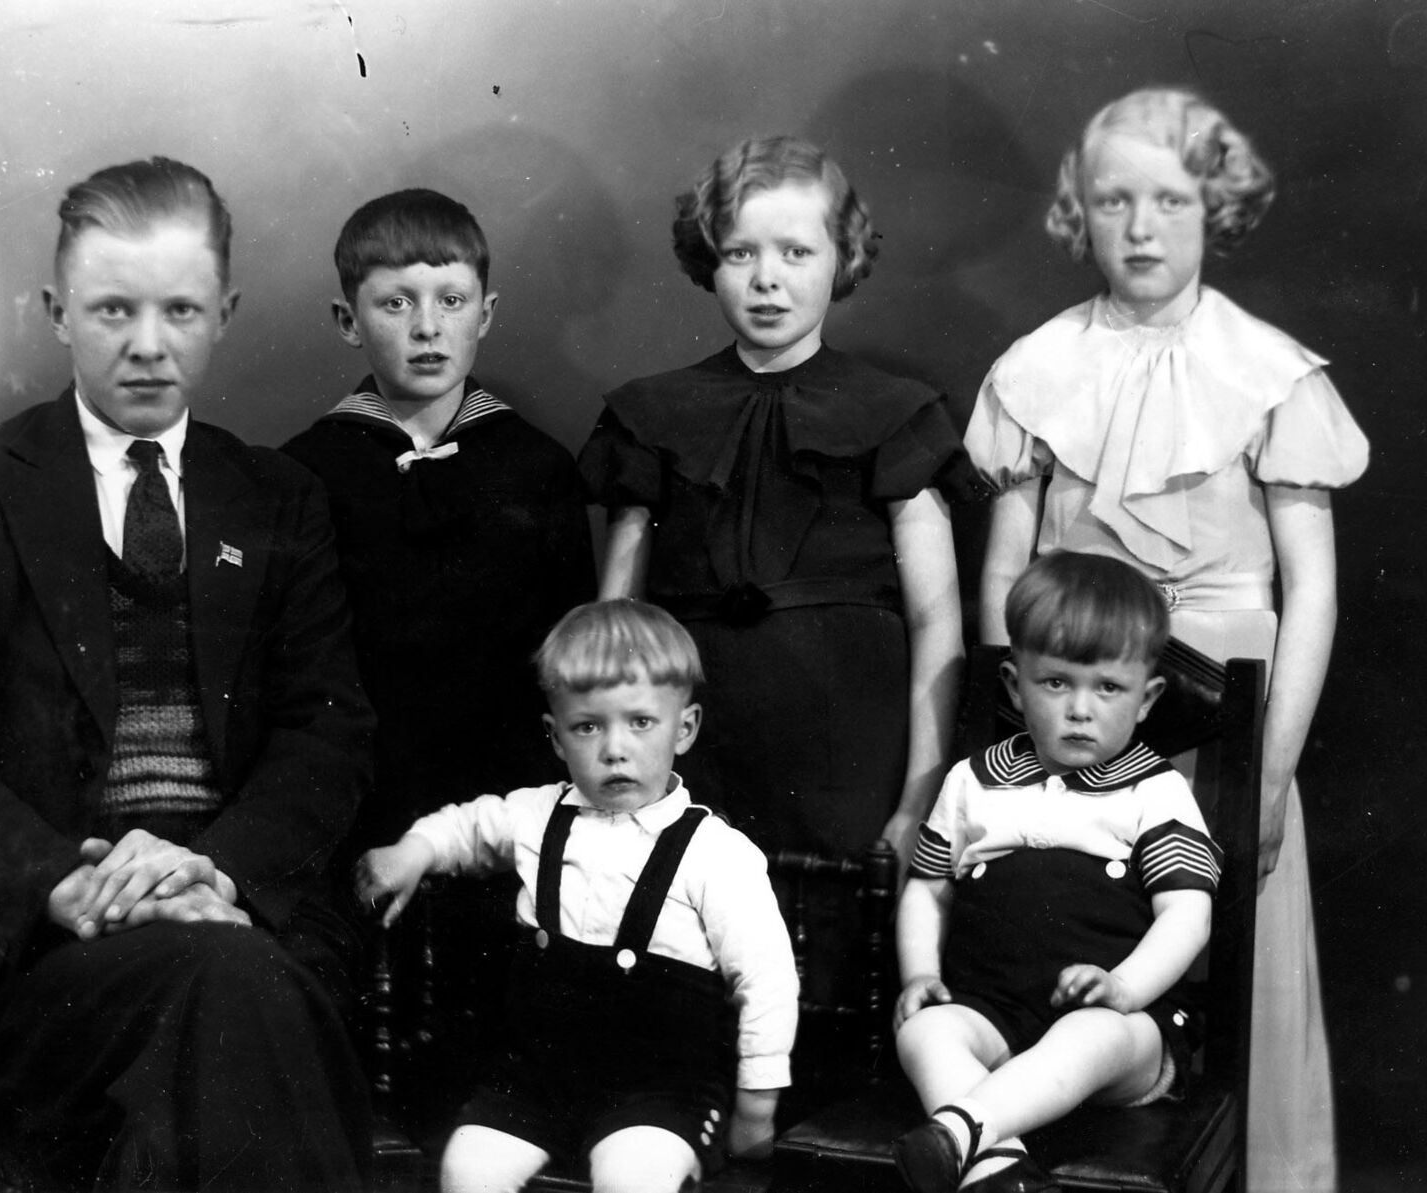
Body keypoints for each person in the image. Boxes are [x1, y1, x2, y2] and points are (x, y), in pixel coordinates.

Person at [0, 157, 375, 1191]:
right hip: (47, 947)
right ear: (56, 312)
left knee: (229, 993)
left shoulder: (278, 495)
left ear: (225, 314)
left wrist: (216, 871)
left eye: (181, 310)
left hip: (233, 909)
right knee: (234, 994)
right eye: (113, 308)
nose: (149, 343)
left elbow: (328, 730)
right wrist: (67, 884)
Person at [965, 88, 1367, 1193]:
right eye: (1113, 201)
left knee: (1222, 961)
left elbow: (1313, 591)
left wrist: (1268, 774)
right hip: (1072, 710)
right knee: (1065, 952)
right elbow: (1003, 577)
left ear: (1215, 207)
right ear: (1079, 212)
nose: (1140, 229)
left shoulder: (1270, 374)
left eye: (1171, 201)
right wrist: (1017, 742)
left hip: (1228, 730)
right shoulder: (1036, 368)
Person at [578, 134, 983, 873]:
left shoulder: (896, 411)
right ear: (708, 260)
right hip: (694, 754)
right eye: (740, 253)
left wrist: (917, 803)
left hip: (849, 755)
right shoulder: (651, 414)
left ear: (842, 257)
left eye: (796, 252)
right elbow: (615, 630)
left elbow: (937, 622)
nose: (767, 279)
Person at [356, 599, 800, 1193]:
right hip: (536, 1083)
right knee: (466, 1168)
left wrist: (756, 1109)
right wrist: (414, 851)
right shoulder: (537, 815)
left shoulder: (715, 853)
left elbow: (767, 983)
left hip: (662, 1092)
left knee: (634, 1178)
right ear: (556, 737)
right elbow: (468, 827)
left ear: (685, 728)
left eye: (640, 722)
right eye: (587, 726)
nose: (614, 748)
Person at [892, 552, 1220, 1193]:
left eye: (1108, 688)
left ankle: (961, 1132)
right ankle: (998, 1170)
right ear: (1015, 687)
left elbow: (1188, 915)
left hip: (1121, 1026)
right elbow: (928, 890)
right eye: (1056, 683)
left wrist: (1124, 988)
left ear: (1147, 698)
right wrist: (921, 974)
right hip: (992, 1012)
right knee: (924, 1033)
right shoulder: (974, 781)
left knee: (1089, 1037)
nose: (1080, 709)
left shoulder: (1155, 791)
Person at [283, 187, 594, 853]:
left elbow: (570, 662)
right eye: (396, 303)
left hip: (509, 803)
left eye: (451, 301)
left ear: (486, 313)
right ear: (347, 319)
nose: (427, 327)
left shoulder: (538, 468)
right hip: (354, 795)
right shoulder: (303, 473)